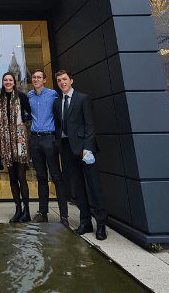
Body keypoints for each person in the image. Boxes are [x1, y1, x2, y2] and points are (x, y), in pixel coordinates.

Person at [54, 70, 108, 240]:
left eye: (64, 79)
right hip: (68, 149)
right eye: (59, 80)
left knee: (93, 186)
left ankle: (101, 224)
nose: (62, 82)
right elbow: (59, 125)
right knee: (78, 187)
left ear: (71, 80)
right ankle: (85, 222)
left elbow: (90, 125)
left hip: (85, 150)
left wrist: (88, 147)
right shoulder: (57, 103)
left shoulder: (82, 98)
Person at [28, 70, 68, 226]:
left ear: (44, 80)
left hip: (49, 138)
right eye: (34, 77)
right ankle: (43, 213)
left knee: (56, 176)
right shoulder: (30, 96)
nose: (36, 79)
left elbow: (61, 113)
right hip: (35, 139)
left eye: (39, 77)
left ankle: (64, 216)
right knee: (41, 177)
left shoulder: (53, 94)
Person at [0, 72, 32, 223]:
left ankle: (27, 211)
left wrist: (21, 127)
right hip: (6, 141)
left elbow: (30, 114)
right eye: (5, 80)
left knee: (21, 176)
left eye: (10, 80)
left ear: (14, 82)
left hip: (19, 140)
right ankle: (17, 210)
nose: (8, 82)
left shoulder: (22, 97)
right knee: (11, 177)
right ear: (3, 82)